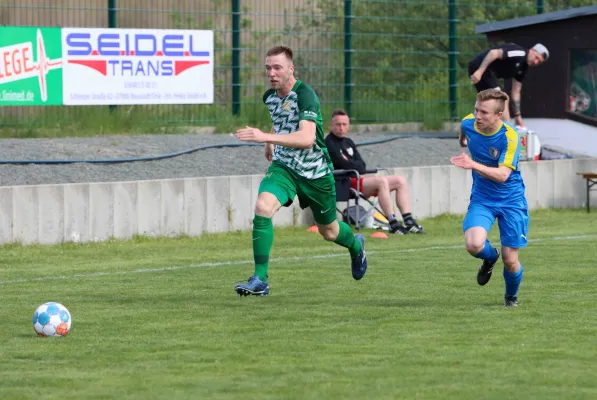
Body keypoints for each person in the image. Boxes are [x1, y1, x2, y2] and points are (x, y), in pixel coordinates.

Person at [233, 46, 368, 296]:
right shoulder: (270, 96)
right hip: (285, 168)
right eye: (268, 68)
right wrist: (270, 141)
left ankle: (356, 246)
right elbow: (280, 120)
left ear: (290, 69)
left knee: (329, 231)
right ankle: (260, 279)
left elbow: (307, 138)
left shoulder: (306, 95)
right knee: (263, 207)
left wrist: (265, 135)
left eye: (277, 68)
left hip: (315, 173)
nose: (272, 73)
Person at [450, 88, 528, 307]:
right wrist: (463, 141)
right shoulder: (468, 123)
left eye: (484, 112)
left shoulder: (510, 136)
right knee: (473, 244)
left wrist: (472, 163)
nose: (477, 116)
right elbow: (464, 132)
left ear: (498, 115)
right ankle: (489, 257)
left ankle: (510, 297)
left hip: (511, 201)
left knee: (511, 260)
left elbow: (503, 175)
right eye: (476, 110)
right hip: (483, 198)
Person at [324, 109, 423, 235]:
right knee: (381, 181)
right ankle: (393, 222)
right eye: (338, 124)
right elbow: (346, 165)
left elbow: (362, 165)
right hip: (343, 183)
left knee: (400, 181)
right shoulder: (329, 143)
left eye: (344, 124)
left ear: (349, 125)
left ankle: (409, 221)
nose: (341, 128)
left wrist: (353, 165)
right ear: (331, 125)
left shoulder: (349, 142)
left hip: (356, 179)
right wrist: (354, 165)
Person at [468, 43, 549, 129]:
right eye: (536, 57)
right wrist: (480, 71)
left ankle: (472, 129)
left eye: (539, 62)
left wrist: (518, 117)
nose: (535, 62)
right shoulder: (520, 53)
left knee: (487, 102)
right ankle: (508, 130)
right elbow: (493, 53)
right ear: (532, 50)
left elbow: (516, 92)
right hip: (480, 67)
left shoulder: (523, 68)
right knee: (503, 98)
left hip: (489, 73)